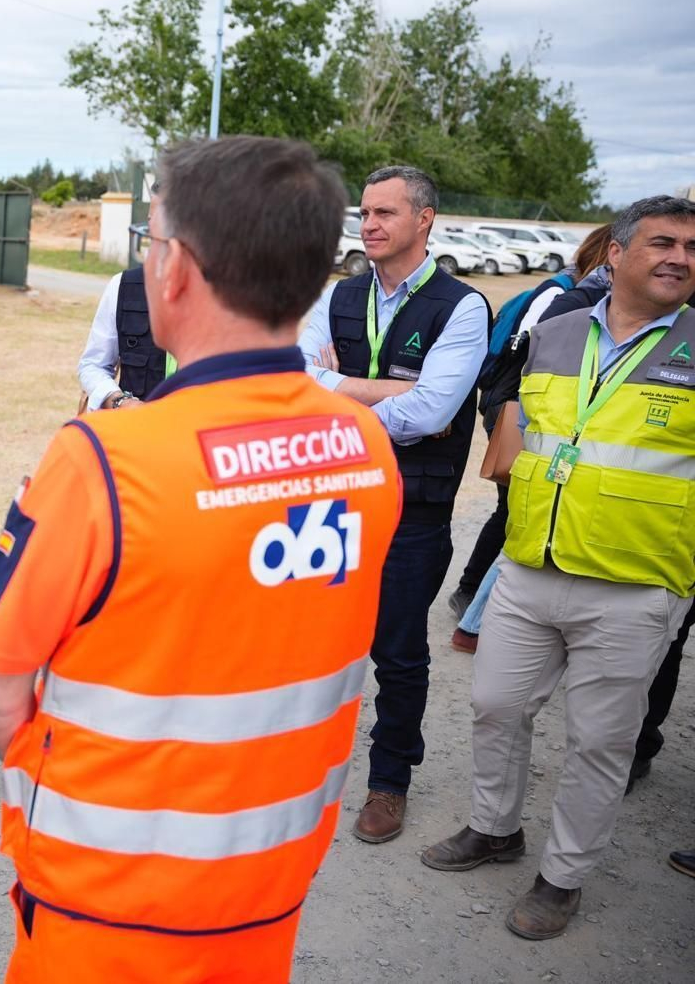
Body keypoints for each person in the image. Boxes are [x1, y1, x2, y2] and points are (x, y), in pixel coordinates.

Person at [0, 136, 402, 982]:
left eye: (154, 241)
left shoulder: (103, 459)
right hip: (272, 876)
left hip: (107, 899)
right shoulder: (364, 445)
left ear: (178, 270)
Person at [420, 195, 695, 940]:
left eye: (692, 248)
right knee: (496, 706)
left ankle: (562, 876)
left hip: (636, 583)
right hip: (531, 564)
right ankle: (494, 827)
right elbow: (516, 421)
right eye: (663, 242)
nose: (680, 257)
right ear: (617, 253)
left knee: (600, 743)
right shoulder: (557, 331)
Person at [298, 164, 490, 844]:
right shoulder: (340, 294)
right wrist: (381, 391)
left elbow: (437, 409)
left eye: (384, 213)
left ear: (425, 219)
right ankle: (302, 762)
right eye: (365, 213)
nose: (369, 225)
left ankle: (389, 780)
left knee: (399, 649)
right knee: (314, 639)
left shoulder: (463, 306)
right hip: (332, 500)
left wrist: (337, 389)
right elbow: (297, 378)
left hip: (415, 506)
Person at [444, 225, 615, 652]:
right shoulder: (565, 296)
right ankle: (471, 601)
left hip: (521, 406)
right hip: (516, 406)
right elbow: (529, 354)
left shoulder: (575, 292)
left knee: (514, 508)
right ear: (610, 254)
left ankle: (473, 601)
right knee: (517, 509)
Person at [77, 261, 175, 411]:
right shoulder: (124, 286)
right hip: (137, 430)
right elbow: (93, 365)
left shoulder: (218, 292)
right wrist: (119, 402)